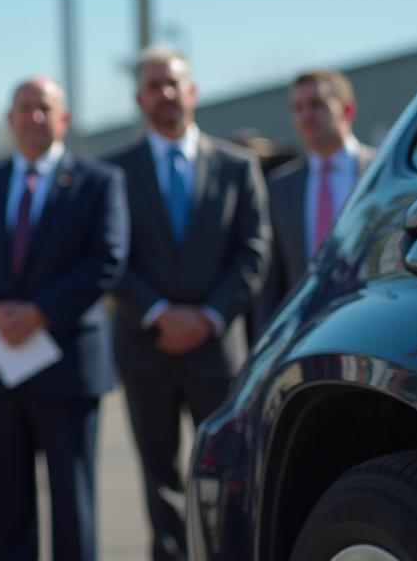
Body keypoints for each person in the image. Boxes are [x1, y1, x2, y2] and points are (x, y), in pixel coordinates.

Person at [107, 46, 271, 561]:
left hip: (216, 351)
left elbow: (254, 250)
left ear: (192, 91)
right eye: (153, 86)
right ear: (140, 99)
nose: (165, 94)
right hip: (146, 350)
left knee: (230, 476)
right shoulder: (114, 172)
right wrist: (160, 314)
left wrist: (210, 317)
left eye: (173, 83)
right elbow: (109, 256)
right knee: (160, 482)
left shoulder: (238, 166)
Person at [0, 76, 128, 561]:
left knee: (73, 508)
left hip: (69, 370)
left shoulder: (100, 182)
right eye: (25, 108)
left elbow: (107, 259)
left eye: (45, 108)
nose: (34, 117)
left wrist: (39, 312)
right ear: (10, 119)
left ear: (64, 120)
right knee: (8, 511)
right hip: (0, 370)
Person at [253, 70, 375, 340]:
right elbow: (272, 278)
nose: (306, 115)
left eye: (316, 105)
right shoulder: (280, 186)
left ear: (347, 110)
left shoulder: (379, 171)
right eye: (297, 108)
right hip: (307, 335)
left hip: (373, 324)